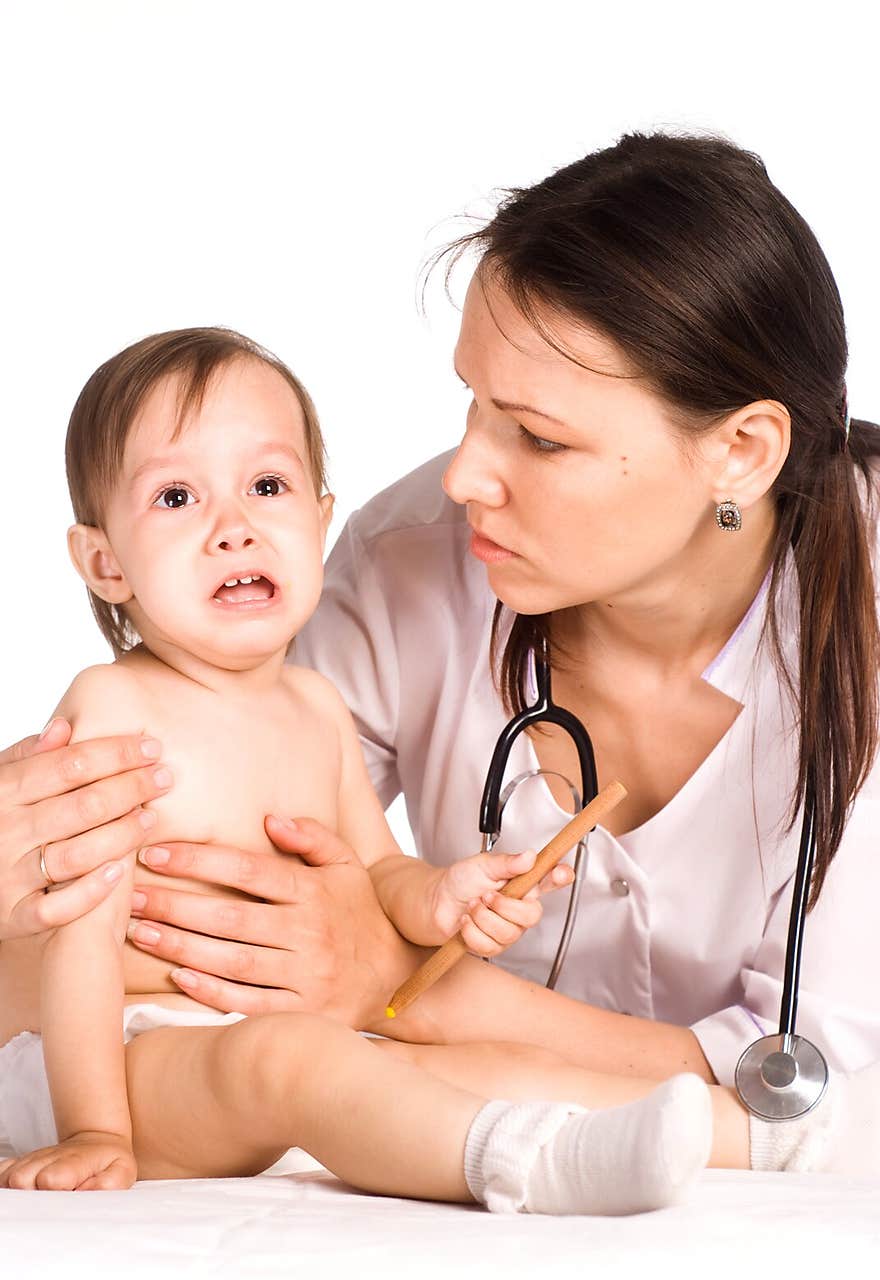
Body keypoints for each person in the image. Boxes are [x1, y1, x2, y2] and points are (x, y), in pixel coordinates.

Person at [3, 130, 880, 1179]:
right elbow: (230, 915)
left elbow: (827, 1088)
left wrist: (397, 978)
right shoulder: (405, 559)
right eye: (472, 402)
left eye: (539, 437)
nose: (466, 473)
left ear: (738, 451)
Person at [0, 324, 733, 1215]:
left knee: (462, 1060)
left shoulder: (313, 707)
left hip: (280, 1037)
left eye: (266, 486)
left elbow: (376, 870)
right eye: (176, 496)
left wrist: (443, 896)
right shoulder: (115, 707)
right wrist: (94, 1129)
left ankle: (744, 1132)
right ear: (105, 562)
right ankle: (523, 1164)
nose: (232, 529)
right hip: (124, 1052)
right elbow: (77, 934)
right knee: (294, 1063)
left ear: (319, 518)